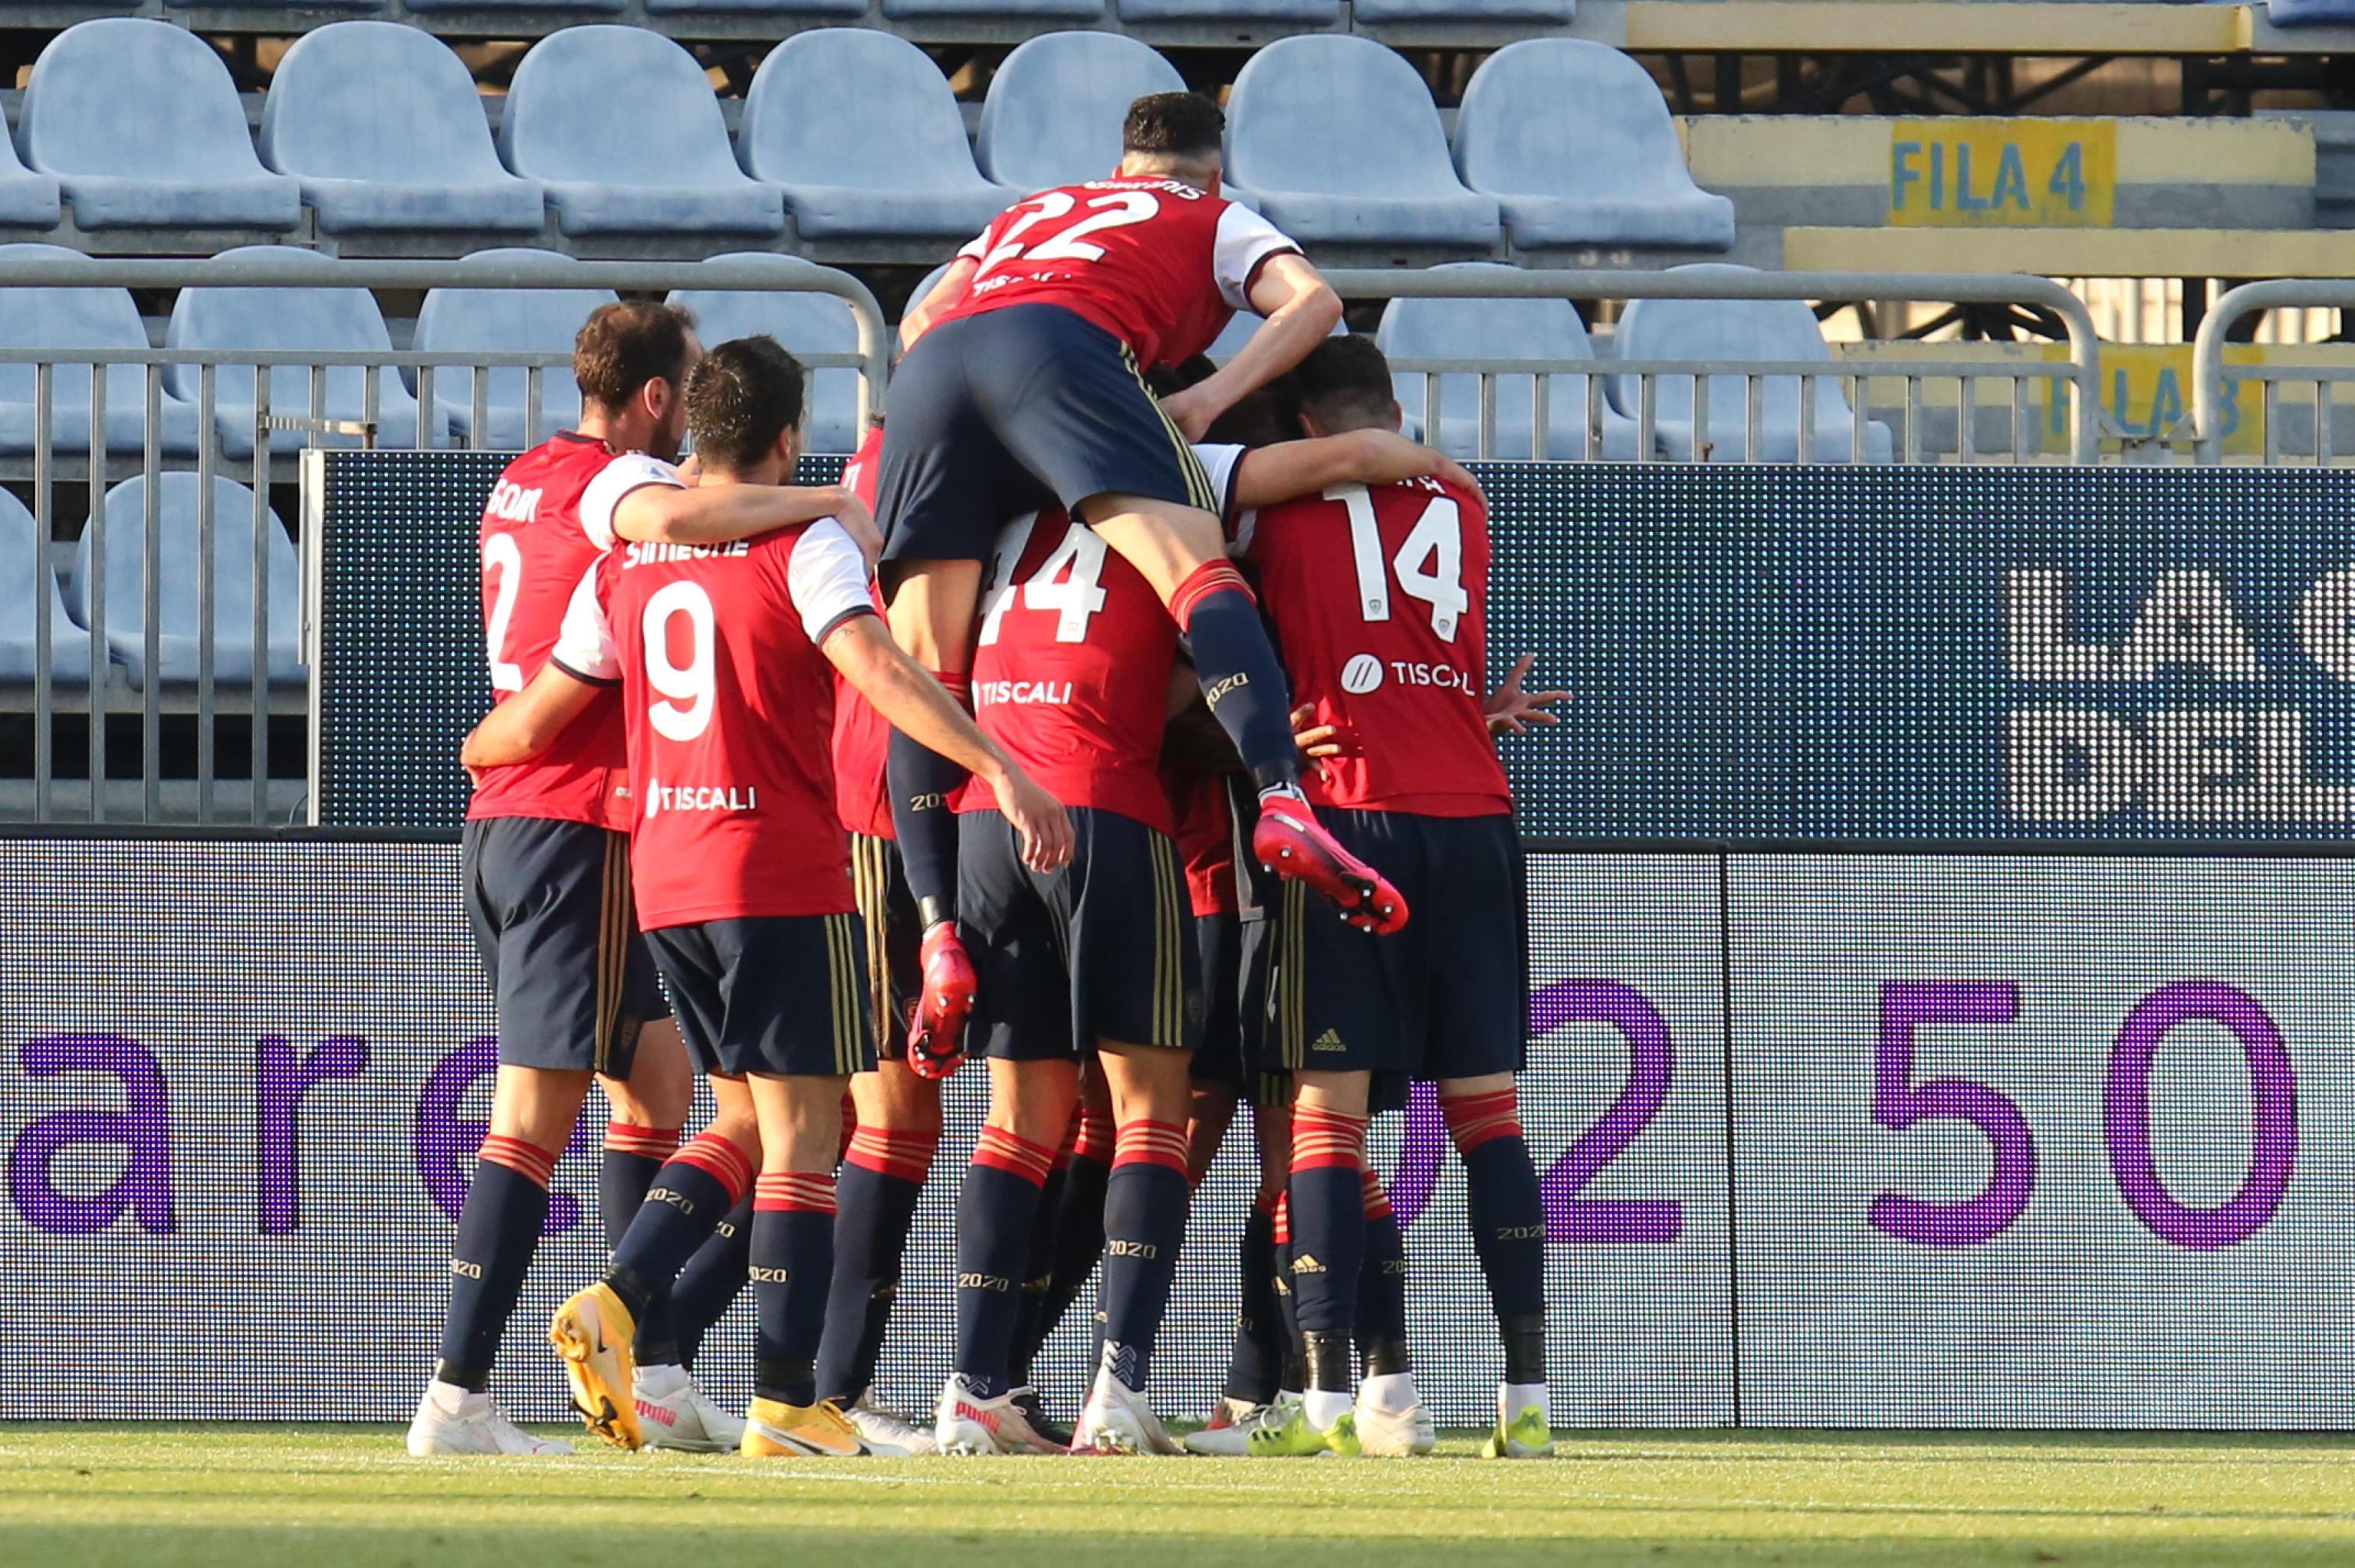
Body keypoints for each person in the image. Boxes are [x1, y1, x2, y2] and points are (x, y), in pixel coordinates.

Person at [470, 336, 1068, 1456]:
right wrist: (999, 766)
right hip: (779, 866)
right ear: (790, 439)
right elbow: (880, 671)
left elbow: (550, 701)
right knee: (808, 1135)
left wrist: (482, 747)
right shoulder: (807, 539)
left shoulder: (626, 558)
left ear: (696, 431)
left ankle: (624, 1299)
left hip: (663, 874)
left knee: (742, 1118)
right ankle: (784, 1400)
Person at [409, 301, 868, 1458]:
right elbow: (673, 514)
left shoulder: (521, 477)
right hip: (581, 817)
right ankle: (461, 1394)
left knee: (661, 1089)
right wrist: (823, 501)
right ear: (657, 399)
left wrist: (490, 740)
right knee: (538, 1113)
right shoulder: (618, 483)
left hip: (536, 810)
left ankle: (652, 1377)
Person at [874, 90, 1404, 1081]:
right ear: (1212, 170)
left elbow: (927, 315)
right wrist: (1207, 396)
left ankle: (938, 928)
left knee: (923, 669)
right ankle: (1283, 795)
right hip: (1061, 353)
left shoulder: (1033, 209)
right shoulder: (1209, 213)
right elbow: (1316, 303)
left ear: (1120, 167)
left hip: (936, 370)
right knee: (1200, 574)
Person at [1233, 336, 1563, 1461]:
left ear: (1306, 428)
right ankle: (1527, 1397)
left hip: (1350, 817)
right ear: (1393, 409)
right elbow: (1416, 647)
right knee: (1489, 1117)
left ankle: (1329, 1401)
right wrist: (1469, 709)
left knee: (1326, 1115)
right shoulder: (1463, 501)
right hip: (1473, 814)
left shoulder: (1271, 508)